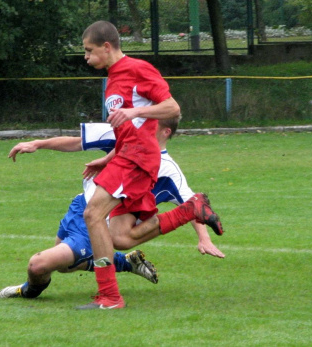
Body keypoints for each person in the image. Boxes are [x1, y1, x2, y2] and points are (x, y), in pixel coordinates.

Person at [78, 21, 223, 310]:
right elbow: (129, 128)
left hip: (138, 157)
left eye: (89, 50)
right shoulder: (113, 78)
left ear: (107, 47)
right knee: (120, 237)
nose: (86, 57)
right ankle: (190, 210)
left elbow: (173, 108)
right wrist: (107, 158)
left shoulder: (137, 69)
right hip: (126, 155)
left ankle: (110, 297)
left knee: (93, 214)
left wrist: (134, 110)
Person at [0, 118, 224, 300]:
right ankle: (125, 262)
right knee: (64, 267)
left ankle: (26, 291)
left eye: (150, 124)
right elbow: (78, 142)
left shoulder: (168, 170)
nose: (142, 125)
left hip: (100, 225)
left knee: (38, 265)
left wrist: (204, 238)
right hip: (79, 207)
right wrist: (37, 144)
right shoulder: (125, 134)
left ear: (165, 132)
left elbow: (192, 203)